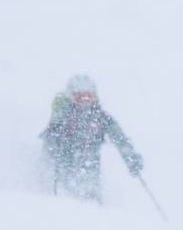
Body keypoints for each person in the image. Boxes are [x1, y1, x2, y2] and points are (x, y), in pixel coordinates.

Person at [40, 75, 143, 203]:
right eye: (80, 97)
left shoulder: (101, 118)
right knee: (64, 200)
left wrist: (131, 158)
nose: (85, 101)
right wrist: (53, 149)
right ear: (71, 97)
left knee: (91, 201)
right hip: (63, 168)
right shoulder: (63, 117)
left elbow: (120, 139)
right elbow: (49, 141)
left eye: (90, 96)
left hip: (90, 170)